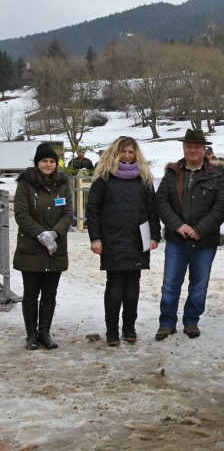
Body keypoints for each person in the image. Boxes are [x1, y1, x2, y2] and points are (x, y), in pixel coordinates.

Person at [154, 128, 224, 341]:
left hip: (204, 241)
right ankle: (166, 323)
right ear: (184, 148)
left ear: (204, 150)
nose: (193, 150)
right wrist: (178, 225)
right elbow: (161, 201)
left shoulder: (217, 176)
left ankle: (191, 321)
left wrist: (199, 229)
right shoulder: (172, 173)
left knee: (199, 284)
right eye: (189, 146)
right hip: (177, 239)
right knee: (170, 284)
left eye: (197, 147)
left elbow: (221, 206)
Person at [87, 137, 161, 346]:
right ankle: (112, 331)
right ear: (115, 153)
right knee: (115, 284)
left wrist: (154, 236)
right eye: (123, 152)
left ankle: (129, 327)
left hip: (138, 237)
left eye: (131, 152)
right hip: (113, 237)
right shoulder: (103, 178)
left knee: (133, 284)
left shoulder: (144, 179)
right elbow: (93, 209)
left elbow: (151, 209)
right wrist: (96, 238)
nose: (127, 156)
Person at [13, 143, 73, 350]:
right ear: (37, 162)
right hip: (31, 247)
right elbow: (21, 214)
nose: (48, 165)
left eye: (51, 161)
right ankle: (31, 335)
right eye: (44, 161)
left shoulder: (63, 185)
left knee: (50, 294)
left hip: (55, 248)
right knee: (31, 293)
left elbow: (68, 214)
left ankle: (44, 333)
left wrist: (54, 233)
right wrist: (41, 234)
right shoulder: (26, 185)